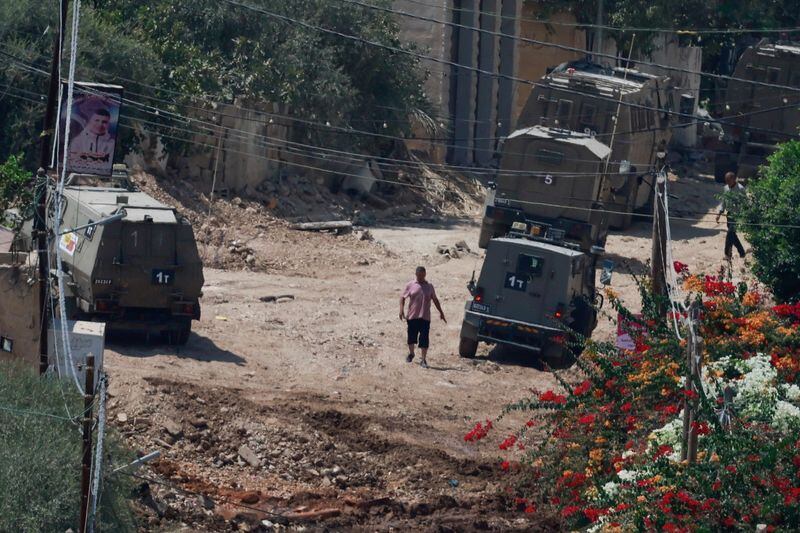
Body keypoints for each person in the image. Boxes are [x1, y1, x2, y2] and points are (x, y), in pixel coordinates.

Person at [399, 266, 446, 368]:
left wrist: (441, 312)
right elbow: (402, 297)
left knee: (424, 339)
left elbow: (435, 300)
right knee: (411, 338)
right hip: (412, 316)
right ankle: (411, 354)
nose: (421, 277)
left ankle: (423, 360)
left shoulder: (429, 286)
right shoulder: (410, 285)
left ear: (425, 275)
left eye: (423, 275)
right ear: (416, 274)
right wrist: (401, 310)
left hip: (425, 317)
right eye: (419, 275)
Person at [715, 171, 746, 259]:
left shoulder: (740, 189)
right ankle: (742, 252)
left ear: (733, 179)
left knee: (729, 233)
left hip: (737, 215)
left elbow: (745, 203)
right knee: (732, 235)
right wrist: (719, 213)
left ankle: (727, 254)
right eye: (726, 180)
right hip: (729, 215)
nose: (727, 182)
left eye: (729, 180)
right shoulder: (726, 188)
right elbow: (723, 202)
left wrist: (743, 216)